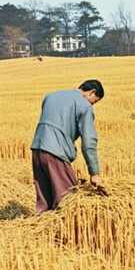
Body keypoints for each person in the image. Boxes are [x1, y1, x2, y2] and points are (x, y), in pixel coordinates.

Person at [31, 80, 104, 213]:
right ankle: (65, 233)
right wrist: (95, 173)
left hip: (37, 149)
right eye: (95, 100)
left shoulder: (51, 96)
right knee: (68, 203)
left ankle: (40, 232)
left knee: (44, 204)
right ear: (92, 92)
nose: (93, 104)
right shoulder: (84, 105)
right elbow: (89, 141)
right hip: (55, 153)